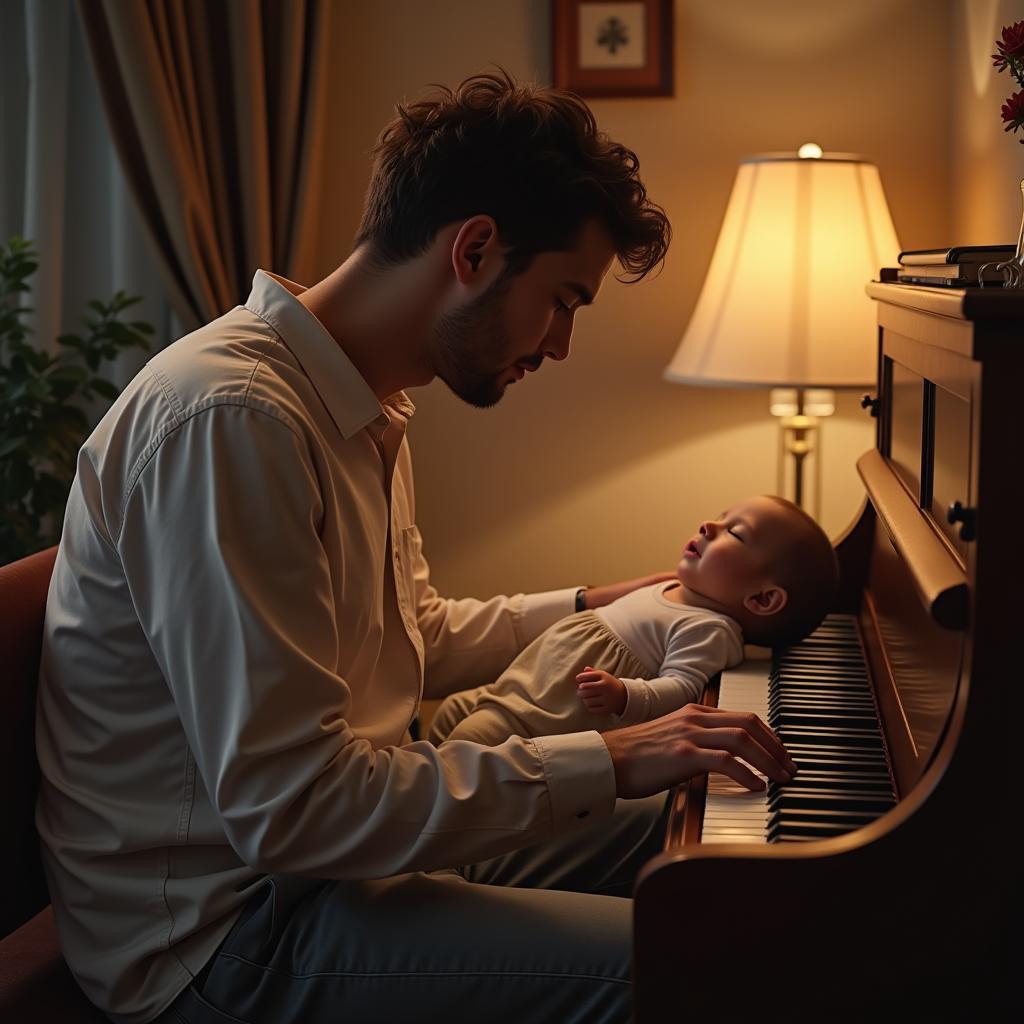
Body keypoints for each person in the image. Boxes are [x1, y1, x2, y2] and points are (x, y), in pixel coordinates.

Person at [35, 70, 798, 1024]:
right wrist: (611, 753)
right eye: (564, 299)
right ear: (475, 249)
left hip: (337, 864)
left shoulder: (364, 399)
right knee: (712, 975)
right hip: (225, 934)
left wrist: (591, 603)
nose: (559, 345)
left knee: (733, 850)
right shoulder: (232, 420)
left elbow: (414, 635)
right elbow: (294, 811)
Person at [430, 495, 839, 747]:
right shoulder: (678, 593)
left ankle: (434, 854)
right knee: (452, 712)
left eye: (735, 533)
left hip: (542, 716)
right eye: (720, 516)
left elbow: (683, 687)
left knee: (467, 747)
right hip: (524, 687)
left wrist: (626, 695)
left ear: (764, 598)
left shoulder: (710, 629)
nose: (708, 526)